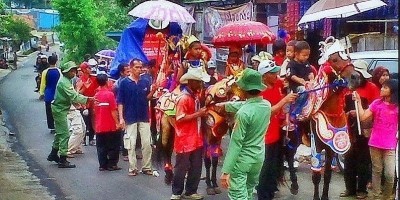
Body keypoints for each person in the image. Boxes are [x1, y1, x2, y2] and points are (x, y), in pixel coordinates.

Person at [218, 68, 272, 200]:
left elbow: (236, 143)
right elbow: (248, 105)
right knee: (248, 192)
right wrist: (227, 105)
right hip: (258, 158)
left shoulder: (243, 114)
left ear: (243, 89)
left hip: (242, 160)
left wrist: (226, 171)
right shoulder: (266, 105)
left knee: (238, 196)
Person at [256, 60, 298, 200]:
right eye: (273, 73)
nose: (276, 75)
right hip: (265, 136)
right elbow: (267, 112)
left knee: (273, 168)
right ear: (265, 75)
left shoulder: (276, 85)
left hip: (276, 133)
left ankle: (270, 192)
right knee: (265, 169)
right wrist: (284, 100)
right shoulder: (260, 91)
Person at [341, 60, 380, 199]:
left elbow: (375, 108)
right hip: (348, 128)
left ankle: (361, 189)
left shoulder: (372, 87)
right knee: (349, 159)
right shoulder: (347, 87)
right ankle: (349, 188)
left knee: (363, 160)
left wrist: (359, 112)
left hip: (364, 129)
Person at [354, 79, 398, 200]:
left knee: (390, 175)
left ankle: (386, 196)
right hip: (375, 143)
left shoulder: (397, 107)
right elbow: (363, 117)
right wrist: (358, 102)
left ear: (392, 91)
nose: (382, 89)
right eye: (382, 87)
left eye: (385, 87)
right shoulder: (376, 103)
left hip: (390, 145)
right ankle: (376, 196)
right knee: (376, 171)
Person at [170, 68, 210, 200]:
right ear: (191, 82)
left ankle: (191, 191)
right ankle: (176, 192)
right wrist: (199, 114)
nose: (200, 85)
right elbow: (180, 118)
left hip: (196, 138)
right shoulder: (183, 98)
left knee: (196, 167)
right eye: (198, 82)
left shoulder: (195, 97)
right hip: (185, 139)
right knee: (181, 167)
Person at [47, 61, 91, 168]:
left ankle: (53, 154)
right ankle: (62, 159)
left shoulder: (67, 80)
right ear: (66, 72)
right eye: (71, 71)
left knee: (60, 133)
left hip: (61, 108)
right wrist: (89, 99)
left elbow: (73, 97)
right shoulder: (64, 82)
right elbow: (74, 96)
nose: (74, 73)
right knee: (65, 134)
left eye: (74, 70)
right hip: (60, 109)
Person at [117, 59, 157, 176]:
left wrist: (153, 90)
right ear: (131, 68)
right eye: (137, 67)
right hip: (130, 117)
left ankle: (146, 167)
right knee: (131, 144)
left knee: (147, 143)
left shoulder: (145, 82)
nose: (140, 69)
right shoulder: (124, 83)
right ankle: (133, 168)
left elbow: (147, 98)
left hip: (144, 116)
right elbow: (120, 102)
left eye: (140, 67)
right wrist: (121, 118)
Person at [94, 73, 121, 171]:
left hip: (99, 125)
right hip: (110, 124)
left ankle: (102, 164)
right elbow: (113, 110)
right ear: (106, 82)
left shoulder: (96, 94)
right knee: (113, 145)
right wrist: (117, 123)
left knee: (101, 146)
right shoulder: (110, 94)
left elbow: (95, 111)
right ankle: (112, 164)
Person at [76, 62, 99, 146]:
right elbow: (78, 93)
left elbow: (97, 88)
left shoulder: (94, 78)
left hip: (93, 102)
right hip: (84, 103)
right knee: (84, 121)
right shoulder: (80, 80)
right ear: (85, 69)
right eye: (88, 68)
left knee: (93, 120)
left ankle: (91, 138)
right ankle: (83, 139)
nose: (90, 69)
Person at [39, 55, 61, 134]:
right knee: (58, 111)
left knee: (49, 111)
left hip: (48, 94)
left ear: (48, 62)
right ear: (56, 62)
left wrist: (41, 93)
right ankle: (58, 126)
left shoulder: (45, 72)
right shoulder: (59, 71)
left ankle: (52, 127)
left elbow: (43, 84)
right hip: (58, 94)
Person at [113, 63, 130, 161]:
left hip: (129, 109)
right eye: (127, 71)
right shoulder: (118, 84)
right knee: (124, 130)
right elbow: (117, 100)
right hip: (122, 109)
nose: (129, 73)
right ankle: (125, 151)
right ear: (121, 73)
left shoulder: (129, 82)